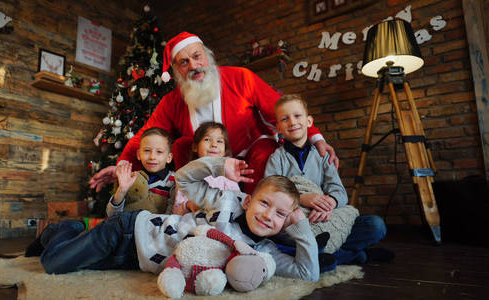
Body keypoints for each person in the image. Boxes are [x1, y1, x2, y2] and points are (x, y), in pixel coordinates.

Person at [89, 31, 338, 195]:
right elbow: (147, 135)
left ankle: (255, 217)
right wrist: (121, 164)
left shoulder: (241, 77)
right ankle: (195, 210)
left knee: (265, 150)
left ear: (206, 56)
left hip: (249, 152)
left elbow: (282, 109)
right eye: (183, 62)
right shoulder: (172, 101)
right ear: (176, 70)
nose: (193, 66)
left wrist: (317, 138)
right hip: (205, 162)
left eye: (197, 56)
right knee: (182, 145)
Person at [27, 156, 322, 282]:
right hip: (129, 230)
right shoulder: (226, 202)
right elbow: (182, 178)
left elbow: (308, 274)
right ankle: (67, 227)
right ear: (248, 201)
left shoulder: (263, 254)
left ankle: (69, 235)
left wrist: (301, 225)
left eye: (280, 213)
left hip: (134, 261)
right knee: (52, 265)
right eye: (265, 203)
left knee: (72, 264)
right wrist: (219, 166)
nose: (269, 215)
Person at [265, 94, 394, 265]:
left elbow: (339, 191)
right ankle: (349, 255)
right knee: (275, 237)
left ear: (309, 122)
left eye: (297, 116)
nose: (292, 122)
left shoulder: (322, 155)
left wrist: (329, 203)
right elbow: (270, 192)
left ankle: (324, 256)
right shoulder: (277, 158)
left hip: (325, 217)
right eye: (284, 118)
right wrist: (302, 198)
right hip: (297, 221)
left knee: (376, 225)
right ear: (278, 128)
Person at [172, 121, 240, 215]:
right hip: (191, 222)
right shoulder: (187, 174)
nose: (214, 145)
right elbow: (176, 211)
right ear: (195, 147)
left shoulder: (228, 177)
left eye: (219, 141)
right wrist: (188, 206)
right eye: (207, 139)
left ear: (225, 151)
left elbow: (237, 204)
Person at [106, 127, 175, 216]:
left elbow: (172, 215)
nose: (152, 157)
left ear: (169, 158)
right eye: (147, 150)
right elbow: (111, 214)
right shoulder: (132, 178)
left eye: (159, 152)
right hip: (129, 226)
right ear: (139, 154)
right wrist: (122, 190)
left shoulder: (174, 181)